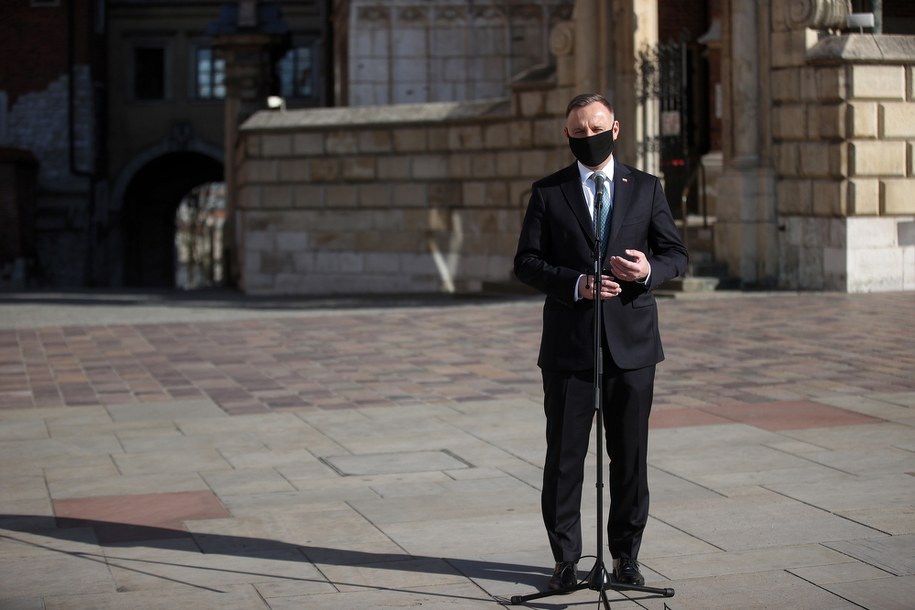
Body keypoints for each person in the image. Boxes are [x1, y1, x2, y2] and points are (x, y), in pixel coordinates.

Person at [514, 93, 688, 591]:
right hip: (570, 346)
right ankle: (566, 560)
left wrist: (648, 270)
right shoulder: (549, 192)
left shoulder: (646, 188)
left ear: (615, 129)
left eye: (596, 129)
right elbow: (526, 262)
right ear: (567, 136)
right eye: (578, 132)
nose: (587, 138)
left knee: (629, 457)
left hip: (632, 345)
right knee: (565, 459)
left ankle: (626, 557)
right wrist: (576, 283)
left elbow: (676, 254)